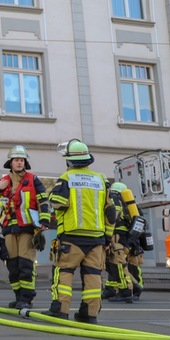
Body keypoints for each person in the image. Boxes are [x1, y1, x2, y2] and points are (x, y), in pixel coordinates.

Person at [44, 139, 115, 324]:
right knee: (93, 276)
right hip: (97, 239)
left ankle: (60, 310)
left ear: (69, 161)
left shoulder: (68, 178)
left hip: (72, 238)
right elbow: (111, 212)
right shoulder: (101, 179)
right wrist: (107, 237)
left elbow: (57, 202)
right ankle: (89, 314)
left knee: (64, 272)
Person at [0, 145, 50, 309]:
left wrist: (44, 222)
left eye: (22, 160)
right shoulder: (4, 181)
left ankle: (27, 298)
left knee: (25, 264)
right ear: (10, 162)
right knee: (12, 265)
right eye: (16, 160)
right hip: (9, 228)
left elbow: (43, 201)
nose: (19, 163)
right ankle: (18, 297)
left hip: (26, 228)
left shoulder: (33, 179)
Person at [102, 182, 135, 303]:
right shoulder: (125, 202)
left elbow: (113, 216)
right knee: (112, 264)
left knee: (118, 264)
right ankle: (111, 289)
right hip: (124, 237)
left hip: (117, 237)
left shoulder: (114, 198)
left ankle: (125, 291)